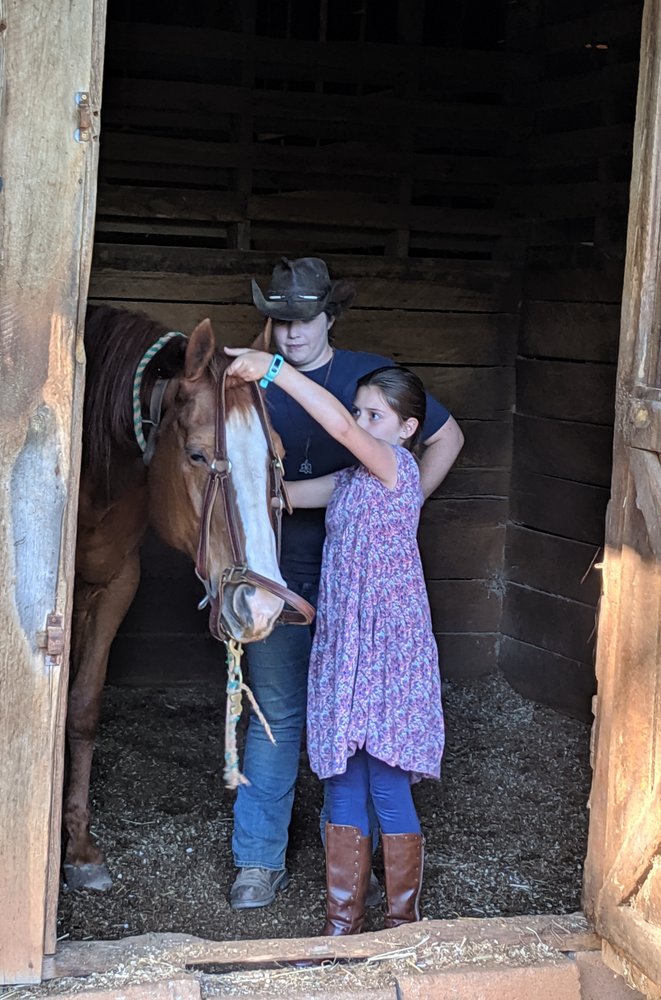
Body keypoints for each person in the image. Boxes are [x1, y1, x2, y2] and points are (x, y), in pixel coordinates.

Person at [226, 257, 463, 910]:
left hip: (367, 603)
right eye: (278, 320)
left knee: (374, 751)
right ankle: (262, 862)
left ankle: (392, 893)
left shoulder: (366, 388)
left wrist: (403, 505)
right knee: (285, 716)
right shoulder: (259, 391)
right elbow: (289, 495)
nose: (291, 331)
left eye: (303, 318)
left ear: (330, 315)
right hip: (287, 573)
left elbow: (427, 436)